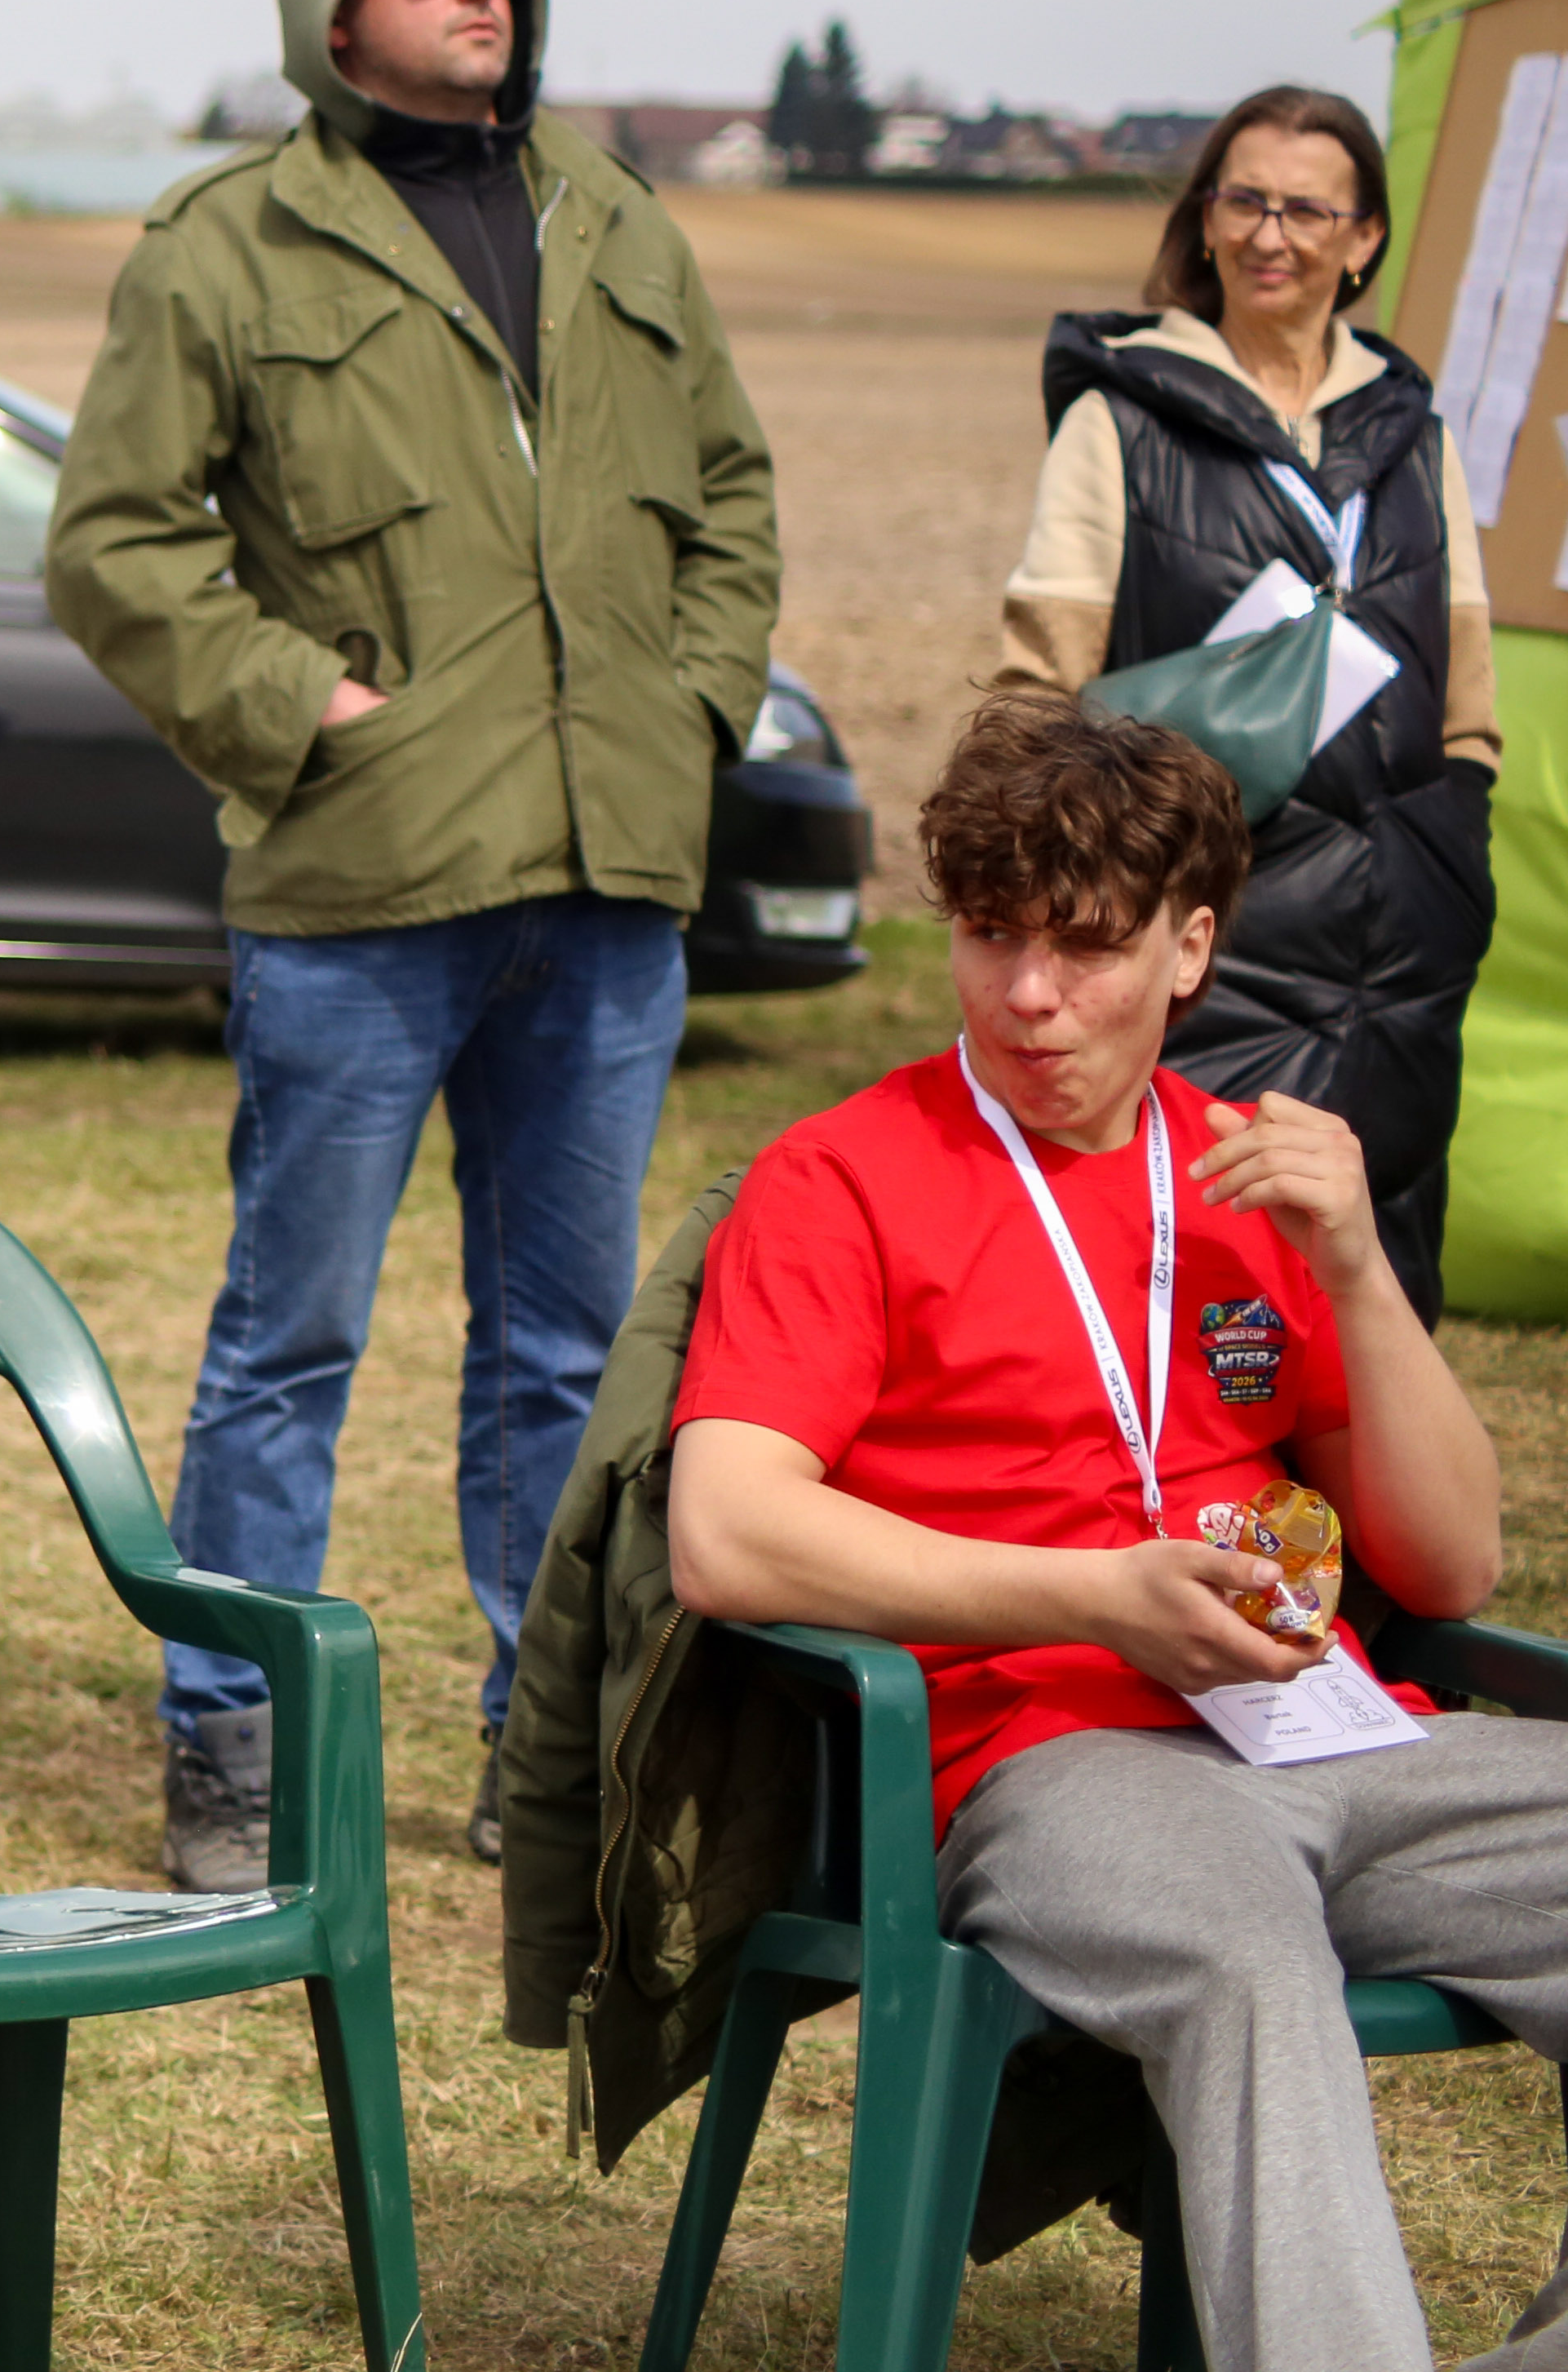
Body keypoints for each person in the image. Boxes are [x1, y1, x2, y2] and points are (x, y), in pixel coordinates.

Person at [47, 0, 783, 1893]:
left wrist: (692, 709)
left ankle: (542, 1753)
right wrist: (296, 708)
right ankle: (234, 1759)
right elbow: (115, 543)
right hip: (363, 887)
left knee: (567, 1350)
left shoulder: (616, 220)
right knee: (290, 1346)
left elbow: (729, 494)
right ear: (331, 8)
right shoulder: (228, 248)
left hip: (603, 882)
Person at [671, 690, 1566, 2370]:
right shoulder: (840, 1179)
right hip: (1054, 1756)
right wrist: (1096, 1600)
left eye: (1083, 947)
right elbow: (726, 1533)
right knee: (1240, 1957)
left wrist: (1363, 1269)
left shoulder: (1253, 1179)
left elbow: (1452, 1571)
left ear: (1191, 948)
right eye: (992, 936)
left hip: (1338, 1741)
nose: (1027, 995)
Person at [999, 82, 1498, 1321]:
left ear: (1364, 237)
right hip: (1210, 941)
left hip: (1398, 948)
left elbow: (1466, 685)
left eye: (1306, 209)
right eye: (1243, 201)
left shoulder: (1413, 435)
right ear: (1205, 218)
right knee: (1203, 1294)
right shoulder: (1122, 420)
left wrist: (1452, 839)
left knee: (1375, 1300)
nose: (1271, 236)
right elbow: (1034, 692)